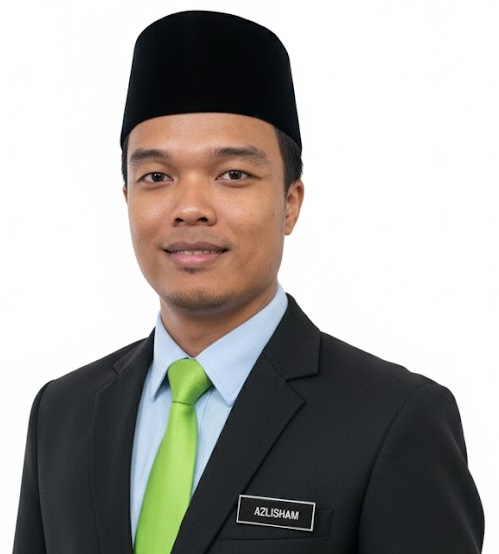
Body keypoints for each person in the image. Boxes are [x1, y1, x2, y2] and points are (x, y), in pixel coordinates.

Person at [13, 10, 484, 554]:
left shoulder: (394, 420)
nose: (190, 207)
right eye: (156, 177)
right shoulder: (62, 412)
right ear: (127, 200)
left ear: (290, 203)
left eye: (233, 174)